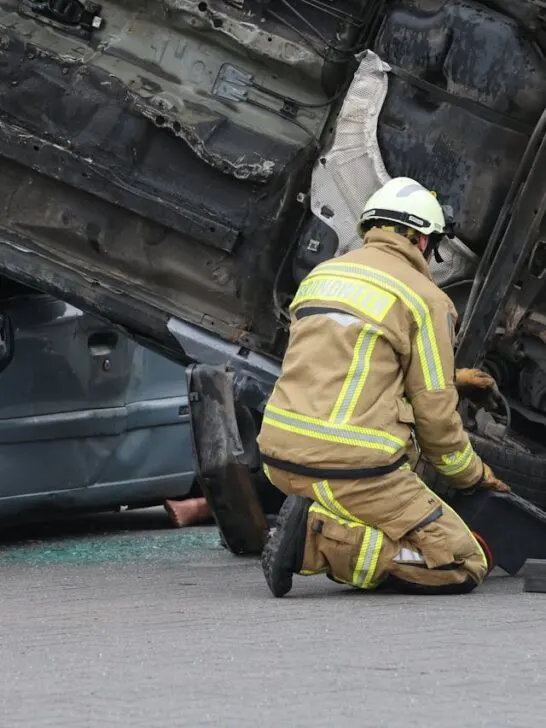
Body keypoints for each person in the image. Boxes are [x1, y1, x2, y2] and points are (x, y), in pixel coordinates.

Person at [257, 177, 510, 598]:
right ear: (417, 238)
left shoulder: (322, 276)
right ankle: (313, 541)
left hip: (279, 458)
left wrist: (453, 381)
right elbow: (437, 425)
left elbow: (349, 367)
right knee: (463, 562)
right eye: (431, 242)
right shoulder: (424, 298)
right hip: (351, 469)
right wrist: (474, 476)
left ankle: (315, 516)